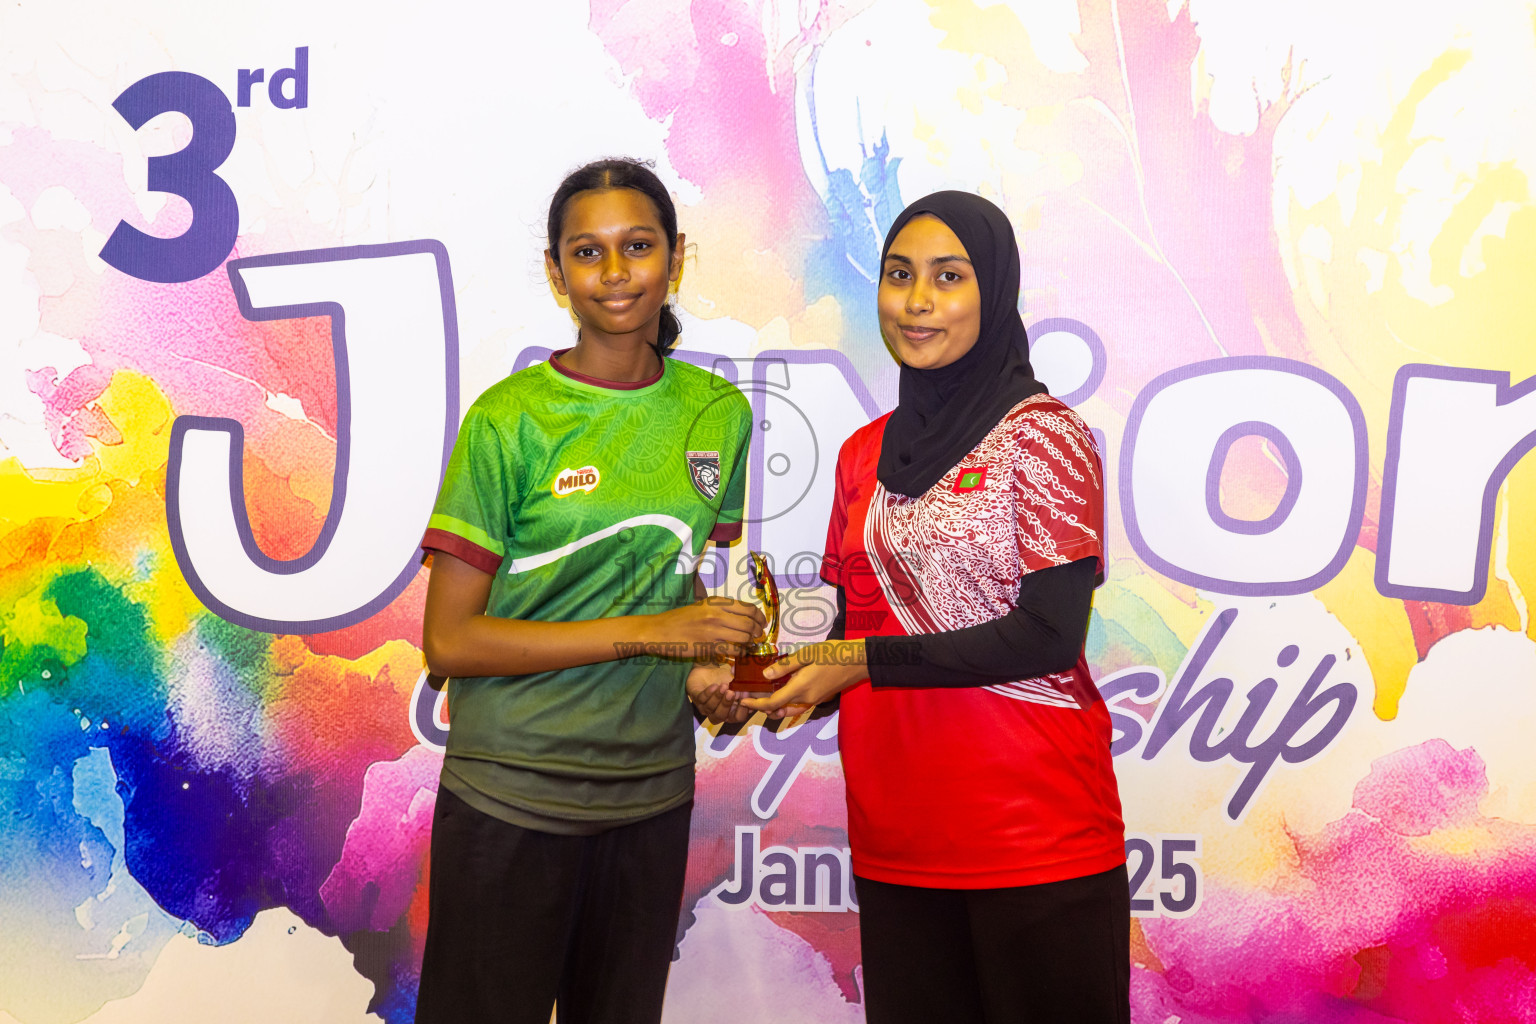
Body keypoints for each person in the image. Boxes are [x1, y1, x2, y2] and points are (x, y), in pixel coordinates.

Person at [743, 191, 1129, 1024]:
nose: (917, 301)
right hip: (898, 840)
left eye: (948, 277)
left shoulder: (1047, 438)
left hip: (1036, 840)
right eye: (899, 275)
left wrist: (855, 661)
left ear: (992, 293)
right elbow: (853, 633)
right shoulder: (861, 453)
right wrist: (774, 686)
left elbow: (1048, 636)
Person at [414, 158, 760, 1024]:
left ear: (675, 258)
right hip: (509, 798)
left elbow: (685, 603)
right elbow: (450, 643)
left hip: (650, 799)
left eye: (637, 247)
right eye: (588, 252)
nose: (615, 274)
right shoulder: (509, 419)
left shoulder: (720, 414)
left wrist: (708, 674)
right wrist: (653, 632)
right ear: (555, 270)